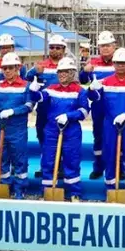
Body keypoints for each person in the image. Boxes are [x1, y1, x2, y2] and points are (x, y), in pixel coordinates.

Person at [88, 47, 125, 204]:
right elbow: (95, 99)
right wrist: (92, 89)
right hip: (110, 126)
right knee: (110, 157)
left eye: (124, 63)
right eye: (118, 63)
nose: (121, 66)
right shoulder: (105, 82)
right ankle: (111, 191)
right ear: (113, 64)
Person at [31, 57, 89, 201]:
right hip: (51, 129)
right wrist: (33, 91)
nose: (62, 75)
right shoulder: (51, 89)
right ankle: (47, 191)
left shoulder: (80, 91)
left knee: (72, 160)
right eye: (60, 72)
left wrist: (69, 116)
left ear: (72, 73)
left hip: (71, 130)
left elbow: (85, 111)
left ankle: (74, 192)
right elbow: (40, 99)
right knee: (48, 160)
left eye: (66, 72)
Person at [0, 52, 34, 199]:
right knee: (0, 156)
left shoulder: (26, 86)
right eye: (4, 68)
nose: (7, 71)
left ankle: (20, 188)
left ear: (17, 68)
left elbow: (29, 106)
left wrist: (13, 111)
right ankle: (4, 184)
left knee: (19, 158)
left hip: (17, 129)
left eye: (10, 68)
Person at [0, 33, 27, 176]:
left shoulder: (21, 68)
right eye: (2, 47)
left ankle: (16, 173)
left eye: (8, 47)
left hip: (15, 112)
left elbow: (24, 90)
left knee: (17, 149)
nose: (5, 50)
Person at [26, 34, 66, 178]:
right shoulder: (41, 66)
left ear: (63, 49)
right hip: (43, 109)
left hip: (62, 109)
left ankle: (60, 167)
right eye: (52, 47)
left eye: (58, 48)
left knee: (62, 138)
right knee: (43, 137)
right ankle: (46, 166)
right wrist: (36, 72)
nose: (55, 50)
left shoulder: (67, 65)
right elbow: (26, 79)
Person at [79, 31, 117, 180]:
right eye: (102, 46)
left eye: (108, 45)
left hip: (116, 105)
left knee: (116, 135)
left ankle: (117, 167)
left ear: (114, 46)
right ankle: (98, 167)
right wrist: (84, 71)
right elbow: (82, 81)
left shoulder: (121, 61)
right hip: (98, 105)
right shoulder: (93, 63)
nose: (105, 48)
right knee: (98, 136)